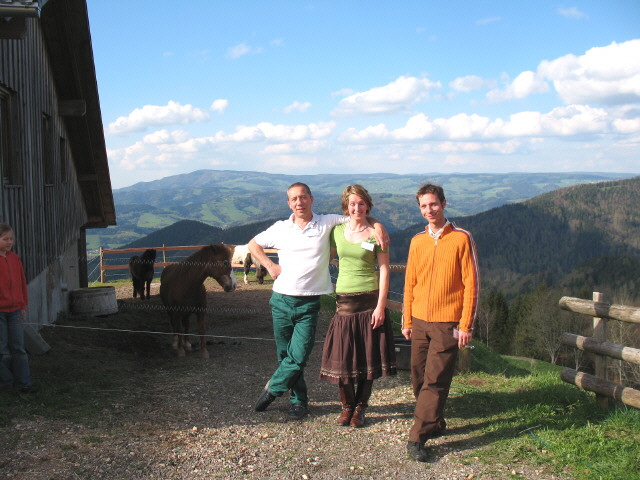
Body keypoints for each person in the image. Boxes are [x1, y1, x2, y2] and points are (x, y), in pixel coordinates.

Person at [248, 182, 388, 420]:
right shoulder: (280, 228)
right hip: (280, 299)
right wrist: (269, 265)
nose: (299, 202)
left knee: (299, 355)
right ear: (289, 203)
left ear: (311, 199)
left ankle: (273, 389)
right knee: (285, 355)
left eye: (303, 197)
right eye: (294, 199)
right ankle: (299, 401)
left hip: (309, 302)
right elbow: (253, 244)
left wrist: (378, 225)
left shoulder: (327, 222)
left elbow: (357, 215)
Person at [401, 184, 479, 462]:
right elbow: (410, 282)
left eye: (433, 204)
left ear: (444, 204)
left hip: (448, 323)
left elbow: (472, 284)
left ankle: (417, 436)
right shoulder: (417, 241)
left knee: (435, 379)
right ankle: (434, 420)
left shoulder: (461, 238)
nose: (429, 210)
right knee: (419, 376)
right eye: (424, 206)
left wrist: (466, 325)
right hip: (419, 321)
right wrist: (407, 319)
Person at [319, 185, 396, 428]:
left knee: (367, 356)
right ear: (346, 206)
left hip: (370, 300)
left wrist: (381, 306)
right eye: (352, 204)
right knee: (343, 354)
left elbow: (384, 269)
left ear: (368, 205)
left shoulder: (376, 234)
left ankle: (360, 408)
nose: (357, 208)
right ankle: (347, 406)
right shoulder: (337, 231)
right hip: (345, 301)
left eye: (361, 203)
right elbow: (322, 258)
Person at [0, 223, 36, 393]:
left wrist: (23, 304)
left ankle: (24, 383)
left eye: (11, 239)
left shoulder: (15, 258)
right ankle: (6, 383)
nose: (9, 242)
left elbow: (22, 283)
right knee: (2, 349)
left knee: (19, 348)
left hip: (15, 310)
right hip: (0, 311)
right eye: (5, 239)